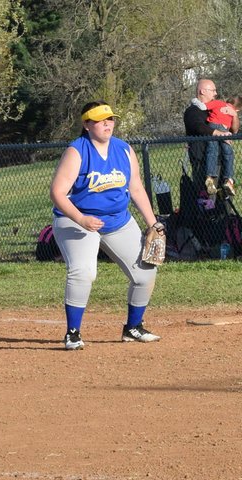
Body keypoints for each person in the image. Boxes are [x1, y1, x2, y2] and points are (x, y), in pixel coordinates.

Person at [49, 101, 162, 351]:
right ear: (87, 125)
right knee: (84, 272)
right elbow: (57, 192)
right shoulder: (77, 151)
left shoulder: (123, 150)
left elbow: (135, 188)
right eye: (100, 120)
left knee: (145, 272)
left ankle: (133, 328)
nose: (107, 124)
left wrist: (153, 222)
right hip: (76, 220)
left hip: (117, 220)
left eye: (110, 119)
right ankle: (73, 333)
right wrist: (81, 219)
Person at [184, 79, 235, 193]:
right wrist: (220, 134)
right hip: (202, 162)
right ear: (203, 91)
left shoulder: (214, 110)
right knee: (207, 200)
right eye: (213, 90)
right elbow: (199, 127)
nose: (216, 93)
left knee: (224, 200)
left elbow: (232, 129)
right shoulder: (192, 111)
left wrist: (234, 115)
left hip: (221, 160)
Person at [203, 94, 241, 196]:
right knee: (228, 153)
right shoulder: (232, 112)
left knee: (212, 150)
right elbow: (235, 131)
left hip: (212, 127)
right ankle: (228, 179)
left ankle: (209, 177)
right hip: (223, 128)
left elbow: (204, 106)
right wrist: (234, 115)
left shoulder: (219, 103)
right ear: (238, 110)